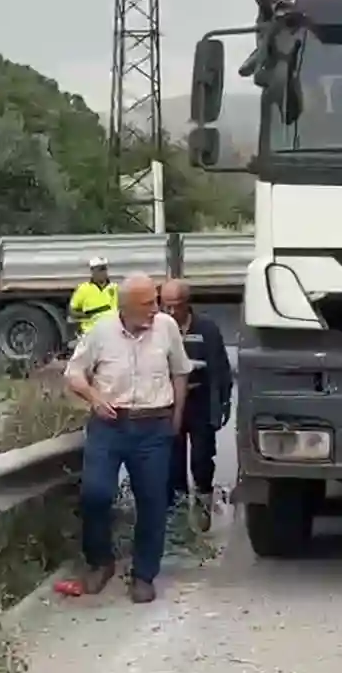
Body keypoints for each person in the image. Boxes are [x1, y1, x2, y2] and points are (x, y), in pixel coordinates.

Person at [63, 274, 191, 603]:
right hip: (110, 425)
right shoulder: (101, 332)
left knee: (152, 501)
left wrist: (175, 418)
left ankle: (144, 575)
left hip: (154, 426)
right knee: (95, 493)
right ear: (126, 307)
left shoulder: (166, 328)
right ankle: (100, 562)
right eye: (148, 304)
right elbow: (73, 373)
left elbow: (180, 371)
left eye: (156, 301)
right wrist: (93, 396)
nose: (156, 309)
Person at [160, 279, 233, 519]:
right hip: (170, 405)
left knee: (202, 459)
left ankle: (203, 505)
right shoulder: (158, 329)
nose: (171, 312)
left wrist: (223, 402)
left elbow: (220, 368)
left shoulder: (207, 329)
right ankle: (177, 517)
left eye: (176, 306)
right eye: (166, 306)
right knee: (172, 463)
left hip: (200, 402)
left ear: (186, 304)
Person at [69, 257, 119, 338]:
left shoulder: (114, 288)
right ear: (92, 271)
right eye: (100, 270)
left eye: (104, 269)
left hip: (110, 332)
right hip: (91, 332)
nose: (103, 272)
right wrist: (88, 315)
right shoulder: (84, 289)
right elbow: (72, 311)